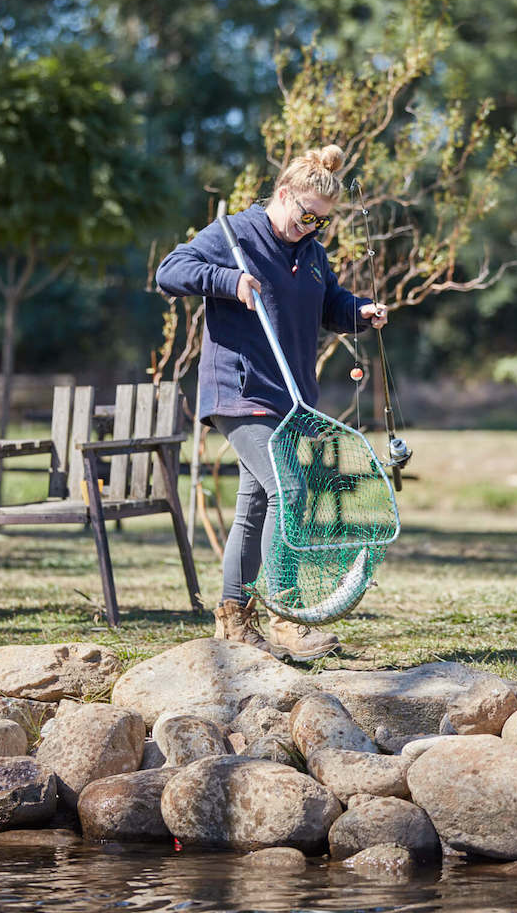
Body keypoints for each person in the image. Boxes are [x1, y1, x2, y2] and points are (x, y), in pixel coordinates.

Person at [156, 144, 388, 660]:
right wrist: (227, 280)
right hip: (240, 392)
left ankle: (233, 619)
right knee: (290, 488)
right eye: (306, 215)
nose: (312, 227)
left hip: (290, 398)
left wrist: (360, 311)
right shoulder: (235, 234)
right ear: (283, 195)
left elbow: (329, 303)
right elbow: (170, 271)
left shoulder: (310, 252)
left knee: (256, 503)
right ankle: (285, 614)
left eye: (321, 222)